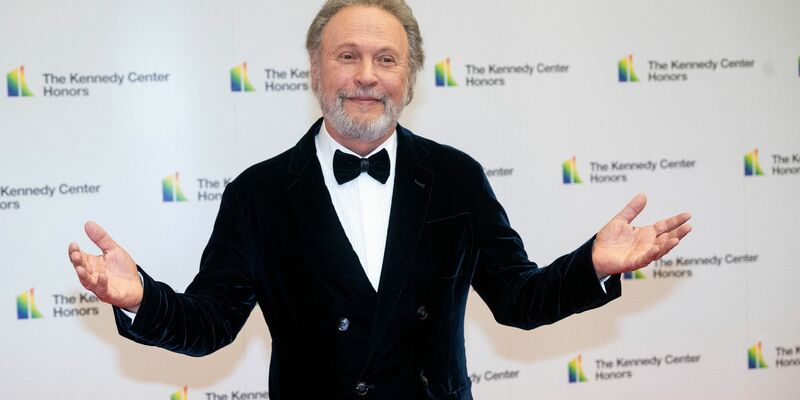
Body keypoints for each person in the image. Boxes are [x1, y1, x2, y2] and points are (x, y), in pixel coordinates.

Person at [67, 1, 692, 399]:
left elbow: (518, 300)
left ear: (409, 77)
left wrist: (593, 266)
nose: (367, 75)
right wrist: (141, 298)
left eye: (386, 59)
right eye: (348, 56)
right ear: (315, 72)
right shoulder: (257, 194)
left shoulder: (456, 177)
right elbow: (209, 325)